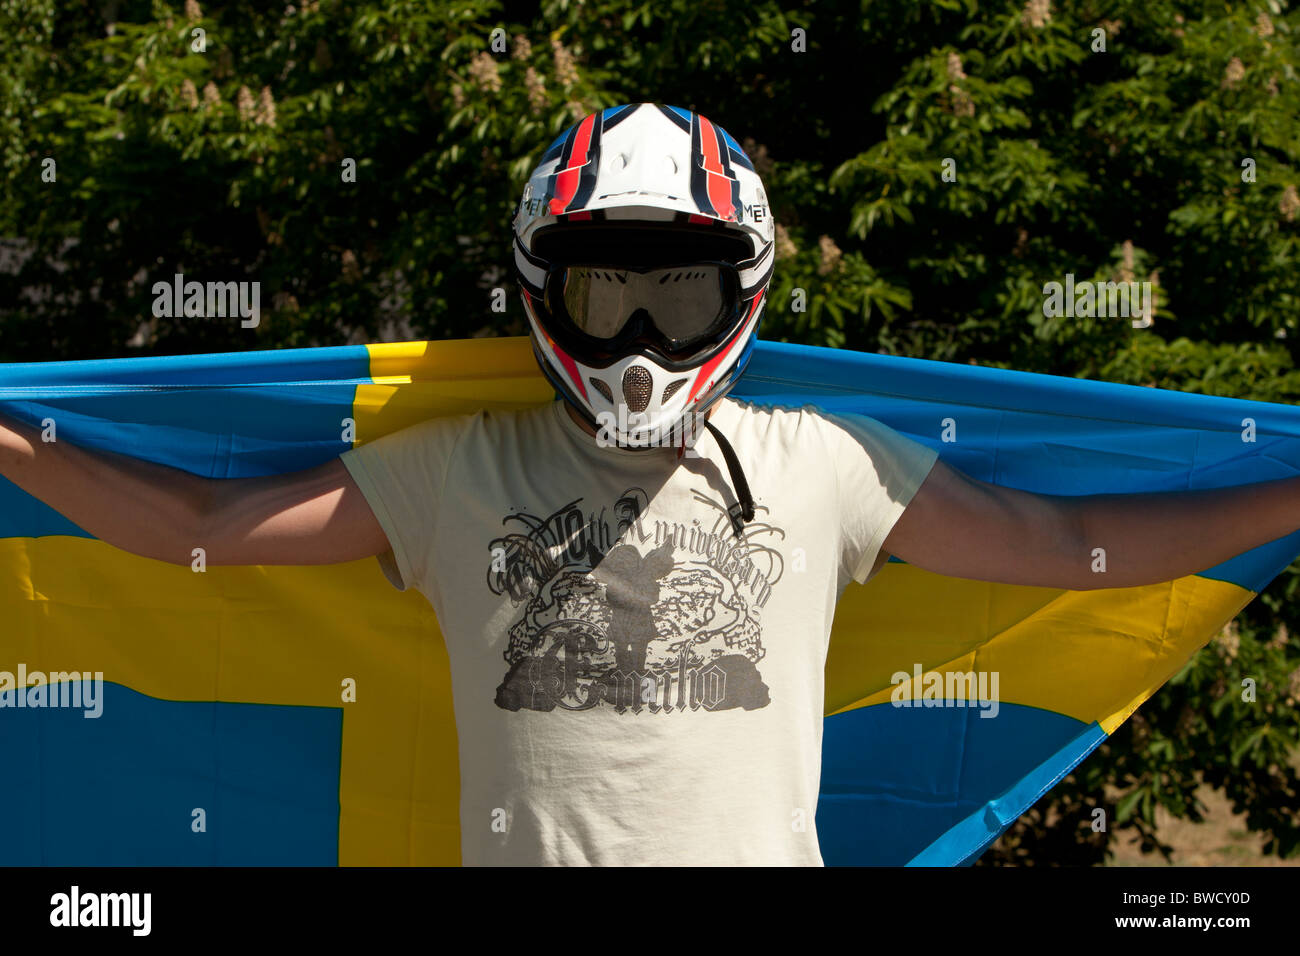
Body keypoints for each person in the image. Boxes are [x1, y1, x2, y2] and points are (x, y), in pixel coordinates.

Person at [1, 103, 1297, 866]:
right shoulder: (457, 470)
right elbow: (206, 532)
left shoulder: (820, 465)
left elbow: (1072, 545)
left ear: (738, 292)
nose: (633, 340)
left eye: (672, 296)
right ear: (541, 292)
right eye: (602, 293)